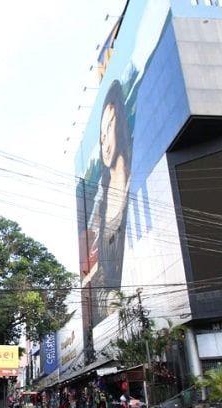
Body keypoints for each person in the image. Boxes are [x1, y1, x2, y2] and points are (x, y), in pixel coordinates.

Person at [84, 79, 133, 322]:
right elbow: (95, 280)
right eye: (101, 136)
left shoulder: (140, 178)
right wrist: (111, 300)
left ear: (120, 123)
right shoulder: (98, 208)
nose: (105, 142)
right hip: (117, 316)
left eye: (109, 127)